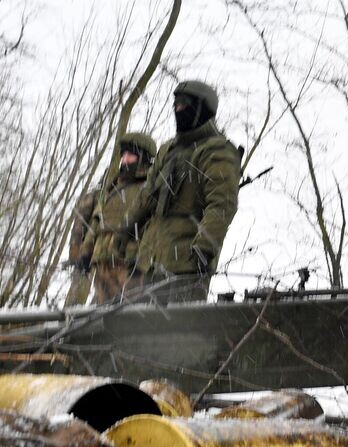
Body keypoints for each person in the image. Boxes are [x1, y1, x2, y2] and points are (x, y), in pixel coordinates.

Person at [127, 81, 241, 303]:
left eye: (185, 105)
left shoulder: (217, 149)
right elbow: (147, 199)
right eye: (176, 105)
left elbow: (222, 204)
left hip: (186, 267)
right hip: (149, 263)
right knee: (134, 332)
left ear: (204, 109)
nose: (178, 110)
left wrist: (203, 248)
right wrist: (126, 232)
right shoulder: (167, 150)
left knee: (175, 333)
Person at [80, 132, 156, 303]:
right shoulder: (113, 187)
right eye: (124, 155)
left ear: (143, 158)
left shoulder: (149, 188)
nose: (125, 159)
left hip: (128, 265)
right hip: (102, 263)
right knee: (101, 317)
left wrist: (141, 262)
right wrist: (85, 253)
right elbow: (96, 222)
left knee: (128, 317)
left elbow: (152, 228)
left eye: (131, 155)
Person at [64, 189, 100, 306]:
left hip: (98, 254)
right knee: (78, 295)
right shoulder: (94, 196)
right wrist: (75, 255)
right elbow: (78, 228)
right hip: (87, 254)